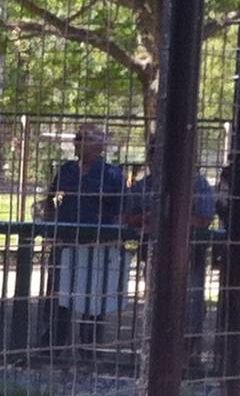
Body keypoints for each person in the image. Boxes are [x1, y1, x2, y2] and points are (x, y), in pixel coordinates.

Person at [126, 140, 218, 373]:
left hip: (190, 255)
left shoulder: (198, 184)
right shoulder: (143, 186)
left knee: (192, 304)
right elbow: (127, 217)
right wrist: (148, 218)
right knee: (156, 303)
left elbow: (204, 220)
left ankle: (187, 355)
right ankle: (158, 356)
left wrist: (170, 219)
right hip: (154, 255)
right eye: (154, 153)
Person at [41, 123, 126, 358]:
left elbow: (121, 210)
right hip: (65, 243)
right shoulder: (66, 170)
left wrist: (111, 239)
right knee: (57, 294)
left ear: (99, 146)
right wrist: (51, 227)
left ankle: (89, 347)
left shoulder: (112, 174)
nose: (76, 142)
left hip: (96, 244)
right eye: (76, 138)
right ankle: (52, 344)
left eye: (83, 138)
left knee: (93, 297)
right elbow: (49, 199)